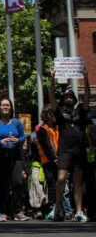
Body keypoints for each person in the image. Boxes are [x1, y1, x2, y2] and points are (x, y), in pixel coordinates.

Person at [48, 67, 91, 222]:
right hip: (65, 150)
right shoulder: (59, 112)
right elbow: (51, 95)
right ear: (64, 99)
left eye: (71, 97)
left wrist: (85, 79)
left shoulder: (80, 111)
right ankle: (57, 207)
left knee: (77, 182)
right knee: (61, 178)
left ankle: (78, 211)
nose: (69, 98)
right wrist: (52, 78)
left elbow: (87, 96)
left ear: (74, 100)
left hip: (78, 151)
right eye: (66, 96)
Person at [0, 98, 28, 222]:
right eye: (3, 105)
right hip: (0, 156)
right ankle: (3, 211)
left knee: (17, 183)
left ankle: (17, 210)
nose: (5, 107)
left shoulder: (16, 123)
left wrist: (17, 140)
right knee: (2, 185)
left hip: (14, 156)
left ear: (11, 108)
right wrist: (0, 142)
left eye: (7, 105)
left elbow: (22, 137)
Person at [37, 106, 58, 219]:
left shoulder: (56, 128)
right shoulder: (43, 129)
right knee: (52, 184)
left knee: (60, 185)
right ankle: (52, 206)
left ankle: (60, 207)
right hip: (48, 161)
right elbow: (46, 146)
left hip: (58, 160)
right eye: (52, 114)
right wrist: (54, 159)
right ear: (47, 116)